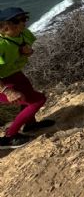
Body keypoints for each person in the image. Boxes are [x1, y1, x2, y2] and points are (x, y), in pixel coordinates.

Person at [0, 8, 55, 149]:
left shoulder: (22, 33)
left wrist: (28, 51)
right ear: (5, 26)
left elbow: (28, 50)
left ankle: (30, 125)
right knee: (38, 100)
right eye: (19, 20)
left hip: (15, 74)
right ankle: (9, 137)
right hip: (3, 81)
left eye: (25, 18)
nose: (24, 23)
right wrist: (7, 91)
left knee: (27, 97)